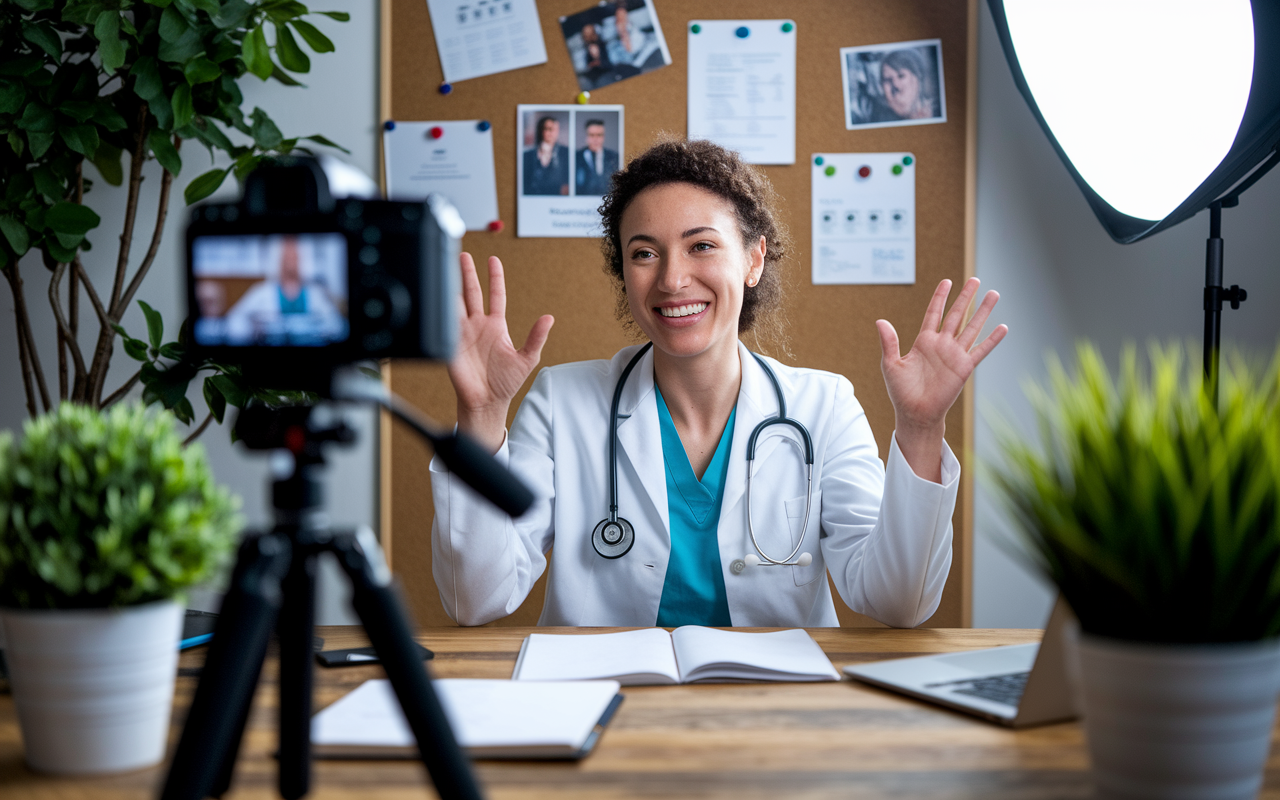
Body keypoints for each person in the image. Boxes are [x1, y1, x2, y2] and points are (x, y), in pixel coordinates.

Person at [431, 139, 1006, 628]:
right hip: (606, 709)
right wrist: (480, 417)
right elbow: (475, 601)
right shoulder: (562, 402)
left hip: (775, 718)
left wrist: (922, 429)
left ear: (754, 260)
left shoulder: (822, 405)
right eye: (644, 253)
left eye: (701, 245)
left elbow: (898, 602)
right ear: (624, 275)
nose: (673, 278)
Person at [223, 236, 344, 345]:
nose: (290, 261)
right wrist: (252, 332)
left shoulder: (315, 293)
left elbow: (336, 325)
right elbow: (234, 319)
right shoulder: (261, 291)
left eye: (294, 256)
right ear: (278, 259)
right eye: (286, 256)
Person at [876, 48, 938, 121]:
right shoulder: (879, 120)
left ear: (918, 78)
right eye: (888, 80)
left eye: (901, 76)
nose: (896, 85)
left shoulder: (938, 112)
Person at [522, 116, 569, 196]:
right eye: (549, 129)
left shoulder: (566, 153)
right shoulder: (528, 156)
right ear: (541, 130)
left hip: (557, 198)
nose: (552, 133)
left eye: (556, 130)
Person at [575, 119, 620, 196]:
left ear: (604, 137)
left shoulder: (614, 157)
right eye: (592, 135)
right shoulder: (576, 157)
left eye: (599, 135)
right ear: (586, 137)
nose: (595, 139)